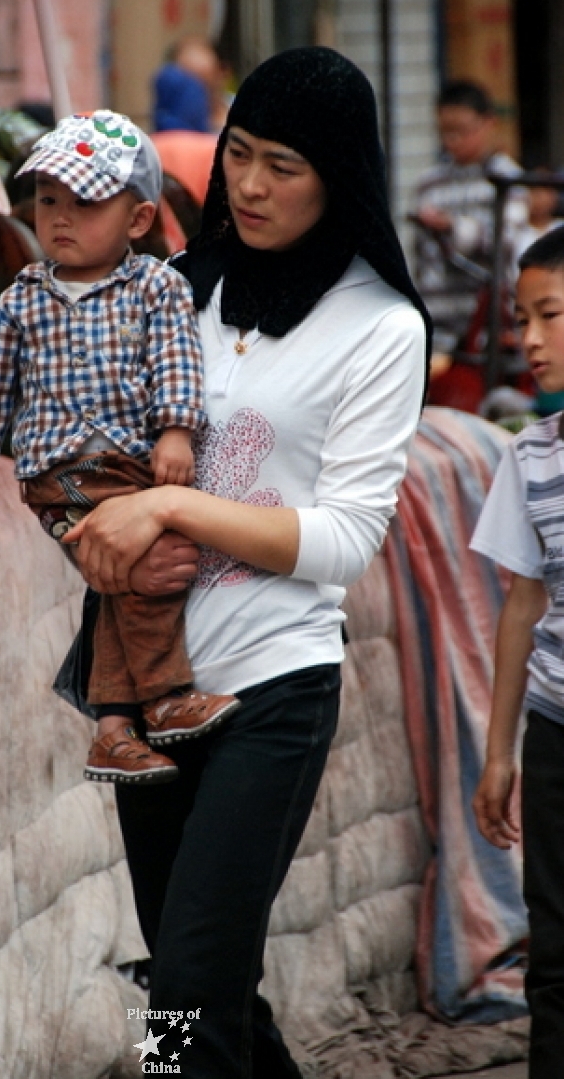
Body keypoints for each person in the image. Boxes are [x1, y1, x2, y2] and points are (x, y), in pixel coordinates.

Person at [59, 48, 431, 1079]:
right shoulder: (175, 289)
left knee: (181, 992)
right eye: (240, 156)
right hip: (144, 681)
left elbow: (345, 539)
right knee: (207, 979)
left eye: (285, 166)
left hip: (269, 685)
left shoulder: (381, 328)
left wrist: (173, 503)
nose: (252, 186)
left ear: (341, 176)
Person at [0, 109, 240, 786]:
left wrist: (175, 429)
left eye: (85, 202)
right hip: (60, 473)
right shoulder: (21, 301)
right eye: (48, 200)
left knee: (121, 579)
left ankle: (111, 729)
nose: (60, 217)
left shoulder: (156, 289)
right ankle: (163, 700)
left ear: (138, 221)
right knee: (146, 567)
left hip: (133, 464)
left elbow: (177, 361)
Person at [471, 224, 564, 1079]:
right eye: (520, 318)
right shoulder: (530, 456)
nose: (527, 340)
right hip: (556, 731)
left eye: (548, 315)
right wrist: (500, 752)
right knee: (557, 954)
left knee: (192, 955)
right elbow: (520, 606)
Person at [410, 79, 527, 397]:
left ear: (489, 123)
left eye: (461, 130)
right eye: (444, 132)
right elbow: (422, 261)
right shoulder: (428, 184)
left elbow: (506, 243)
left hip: (488, 328)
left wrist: (453, 228)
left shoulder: (507, 178)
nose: (452, 141)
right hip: (440, 323)